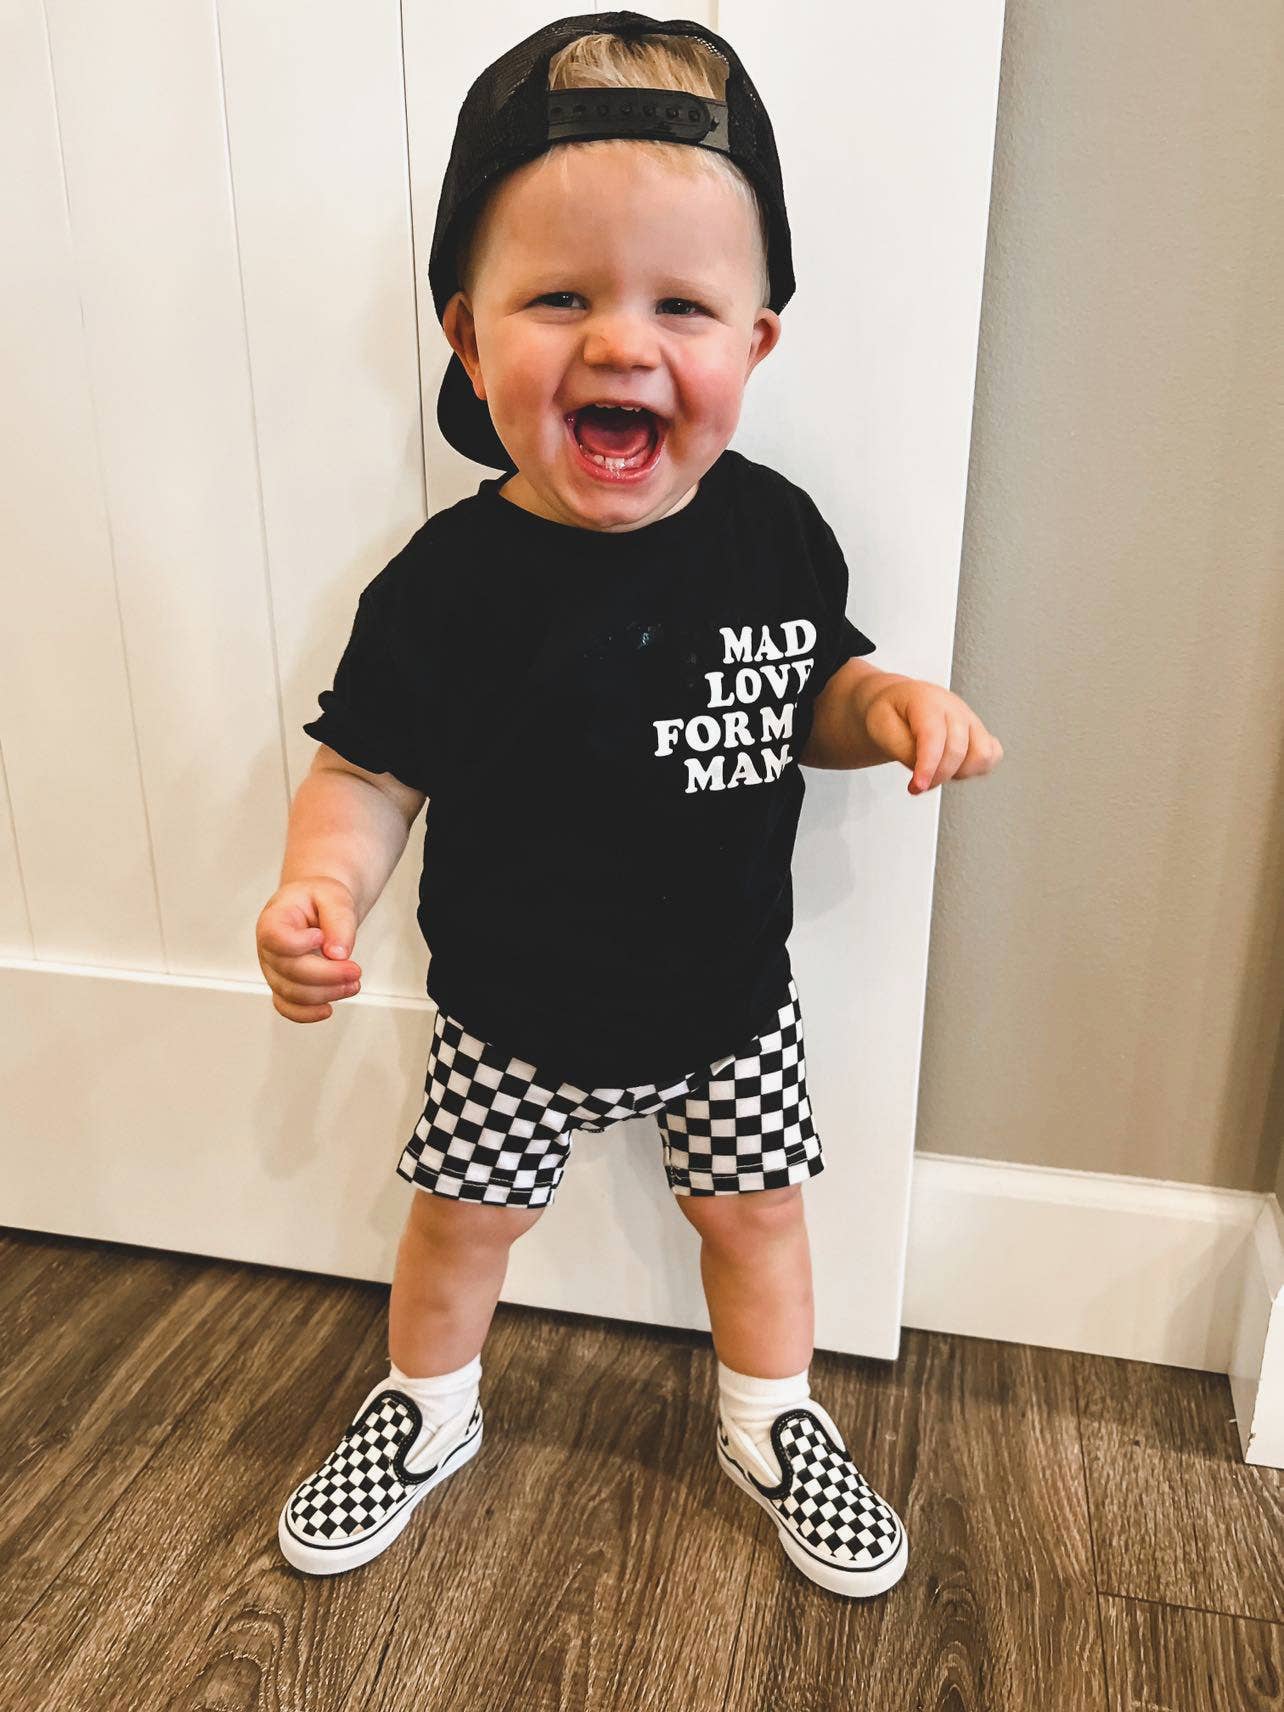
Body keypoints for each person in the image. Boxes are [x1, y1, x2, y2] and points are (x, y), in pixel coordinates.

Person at [258, 12, 1002, 1596]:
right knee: (461, 1231)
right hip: (510, 1011)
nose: (621, 344)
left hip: (728, 1002)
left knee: (759, 1224)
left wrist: (894, 710)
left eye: (682, 304)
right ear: (467, 338)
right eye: (559, 298)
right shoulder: (448, 587)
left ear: (756, 344)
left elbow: (819, 693)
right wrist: (320, 889)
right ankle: (429, 1405)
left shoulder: (776, 534)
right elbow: (370, 770)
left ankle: (771, 1412)